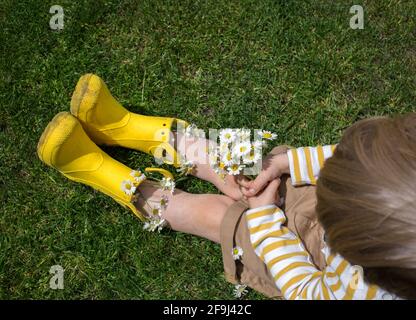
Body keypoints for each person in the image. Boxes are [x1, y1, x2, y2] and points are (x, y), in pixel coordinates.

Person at [38, 74, 414, 299]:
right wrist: (289, 164)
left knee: (224, 218)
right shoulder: (398, 169)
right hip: (358, 223)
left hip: (306, 266)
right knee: (250, 168)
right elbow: (352, 157)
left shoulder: (361, 292)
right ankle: (167, 141)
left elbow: (305, 289)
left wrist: (266, 218)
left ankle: (145, 194)